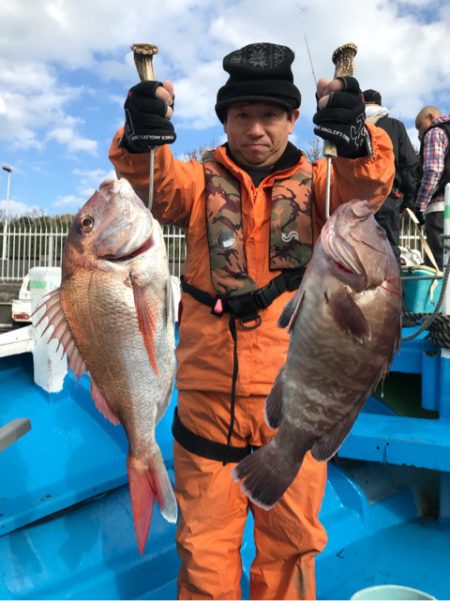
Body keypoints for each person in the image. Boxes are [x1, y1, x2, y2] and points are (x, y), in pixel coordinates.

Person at [109, 42, 394, 600]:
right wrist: (138, 130)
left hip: (294, 415)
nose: (256, 129)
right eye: (242, 115)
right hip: (204, 419)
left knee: (291, 554)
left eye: (271, 115)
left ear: (294, 119)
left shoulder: (323, 186)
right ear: (225, 121)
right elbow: (150, 183)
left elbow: (368, 188)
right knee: (203, 558)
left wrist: (359, 140)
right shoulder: (195, 183)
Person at [363, 89, 419, 264]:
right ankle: (391, 290)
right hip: (387, 197)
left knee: (357, 254)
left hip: (353, 200)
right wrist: (409, 200)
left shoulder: (352, 126)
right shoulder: (395, 126)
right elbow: (409, 164)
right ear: (380, 104)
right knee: (388, 252)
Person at [414, 106, 450, 270]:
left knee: (438, 264)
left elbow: (433, 171)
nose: (421, 136)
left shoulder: (435, 132)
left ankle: (440, 296)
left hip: (441, 208)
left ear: (430, 116)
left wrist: (420, 206)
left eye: (420, 128)